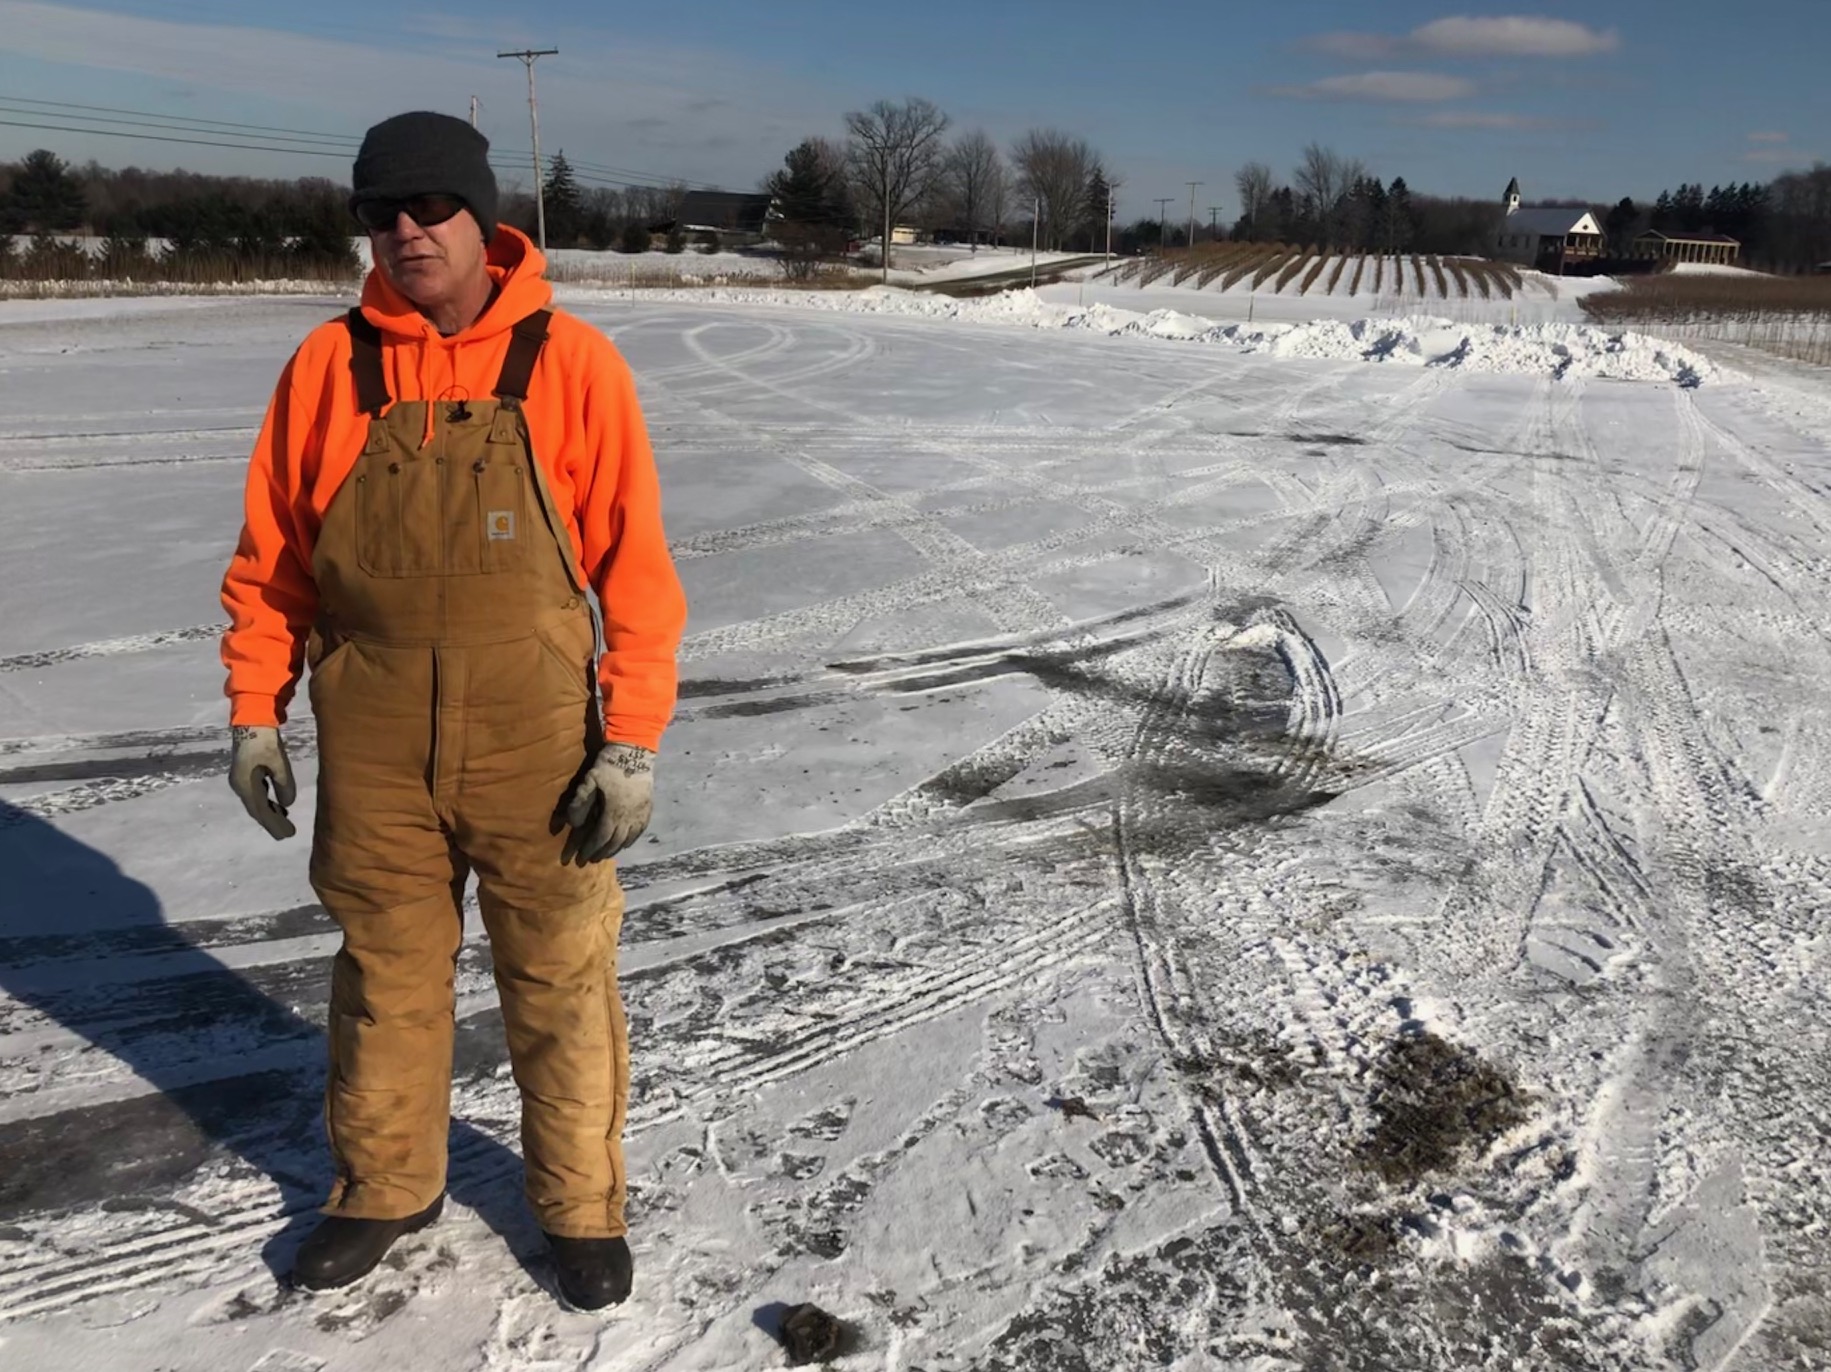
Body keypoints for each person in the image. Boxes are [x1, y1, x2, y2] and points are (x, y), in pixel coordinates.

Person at [219, 110, 686, 1310]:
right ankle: (384, 1186)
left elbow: (635, 573)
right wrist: (255, 708)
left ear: (483, 218)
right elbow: (273, 565)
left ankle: (578, 1207)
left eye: (431, 207)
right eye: (382, 212)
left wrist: (631, 739)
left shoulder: (571, 363)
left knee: (560, 977)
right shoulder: (326, 367)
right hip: (373, 740)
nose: (407, 231)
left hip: (537, 742)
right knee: (385, 973)